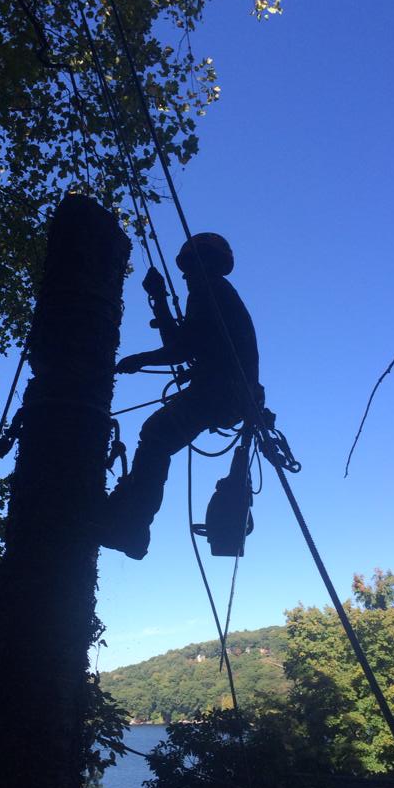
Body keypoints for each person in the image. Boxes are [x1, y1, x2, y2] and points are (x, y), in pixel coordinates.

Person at [101, 233, 262, 560]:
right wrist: (159, 298)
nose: (186, 276)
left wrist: (140, 359)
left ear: (204, 263)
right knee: (157, 438)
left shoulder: (209, 290)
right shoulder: (217, 293)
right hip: (228, 393)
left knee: (156, 436)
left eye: (189, 268)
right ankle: (129, 513)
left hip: (220, 391)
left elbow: (181, 348)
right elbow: (186, 342)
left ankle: (133, 524)